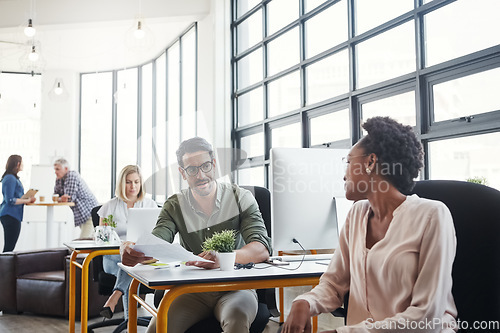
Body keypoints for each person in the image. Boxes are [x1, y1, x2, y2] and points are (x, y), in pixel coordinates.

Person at [282, 117, 458, 333]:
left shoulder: (432, 215)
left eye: (348, 162)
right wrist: (305, 303)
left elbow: (425, 317)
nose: (343, 174)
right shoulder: (357, 214)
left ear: (370, 162)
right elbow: (334, 284)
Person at [121, 137, 272, 333]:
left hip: (236, 286)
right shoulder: (174, 205)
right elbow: (156, 245)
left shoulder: (241, 198)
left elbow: (261, 248)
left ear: (214, 165)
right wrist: (131, 249)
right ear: (183, 173)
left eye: (206, 166)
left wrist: (222, 258)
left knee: (237, 320)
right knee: (156, 329)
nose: (201, 175)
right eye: (192, 170)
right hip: (192, 290)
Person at [98, 165, 158, 320]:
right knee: (129, 263)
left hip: (142, 258)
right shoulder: (109, 207)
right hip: (112, 258)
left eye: (136, 182)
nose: (133, 186)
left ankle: (115, 298)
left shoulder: (150, 205)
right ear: (121, 183)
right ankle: (130, 325)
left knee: (132, 261)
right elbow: (102, 239)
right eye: (129, 182)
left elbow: (156, 235)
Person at [53, 158, 98, 238]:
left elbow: (69, 198)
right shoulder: (59, 179)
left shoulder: (72, 176)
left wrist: (60, 198)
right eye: (55, 169)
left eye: (58, 169)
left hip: (89, 213)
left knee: (84, 241)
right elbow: (55, 196)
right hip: (82, 215)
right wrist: (60, 198)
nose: (55, 172)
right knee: (88, 241)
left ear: (66, 168)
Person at [0, 155, 36, 252]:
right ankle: (4, 266)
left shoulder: (13, 178)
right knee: (9, 247)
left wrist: (27, 198)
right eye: (22, 162)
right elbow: (10, 200)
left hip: (13, 215)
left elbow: (15, 197)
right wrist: (26, 200)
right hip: (10, 215)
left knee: (10, 246)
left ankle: (5, 266)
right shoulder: (10, 178)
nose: (23, 165)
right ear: (18, 164)